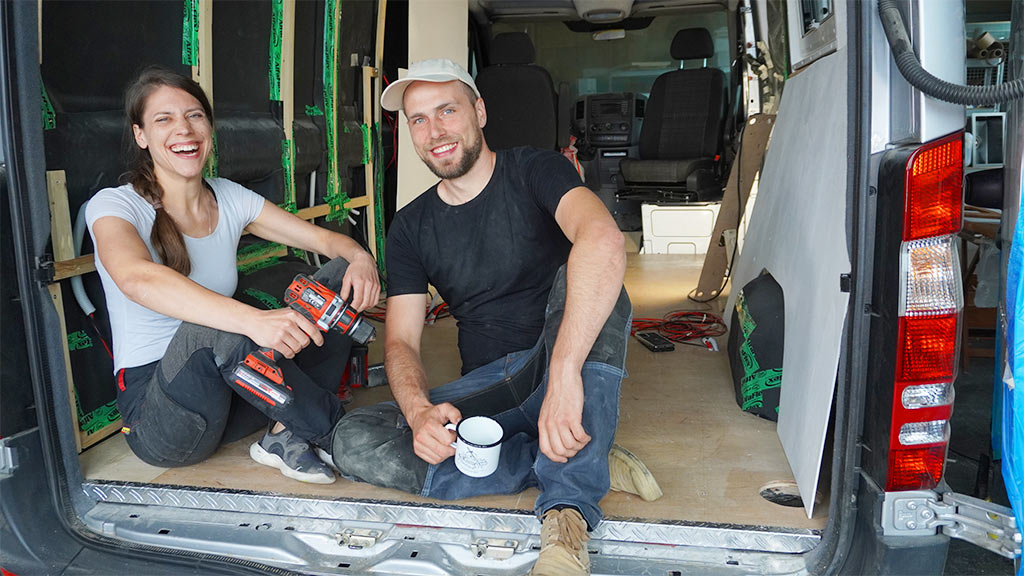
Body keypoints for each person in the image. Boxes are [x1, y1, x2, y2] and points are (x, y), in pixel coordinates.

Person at [330, 58, 660, 576]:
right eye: (418, 119)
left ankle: (566, 519)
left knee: (595, 275)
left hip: (566, 370)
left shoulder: (536, 169)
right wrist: (418, 413)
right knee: (353, 439)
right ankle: (577, 460)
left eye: (447, 110)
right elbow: (400, 343)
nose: (435, 131)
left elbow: (603, 239)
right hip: (494, 390)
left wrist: (566, 373)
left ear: (478, 111)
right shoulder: (411, 226)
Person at [85, 66, 380, 485]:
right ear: (141, 135)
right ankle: (334, 430)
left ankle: (284, 432)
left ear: (209, 126)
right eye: (163, 119)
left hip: (236, 393)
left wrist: (359, 257)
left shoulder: (228, 196)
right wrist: (252, 320)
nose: (183, 130)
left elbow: (327, 243)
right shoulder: (115, 206)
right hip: (165, 420)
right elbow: (136, 278)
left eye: (194, 116)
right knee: (214, 327)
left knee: (336, 278)